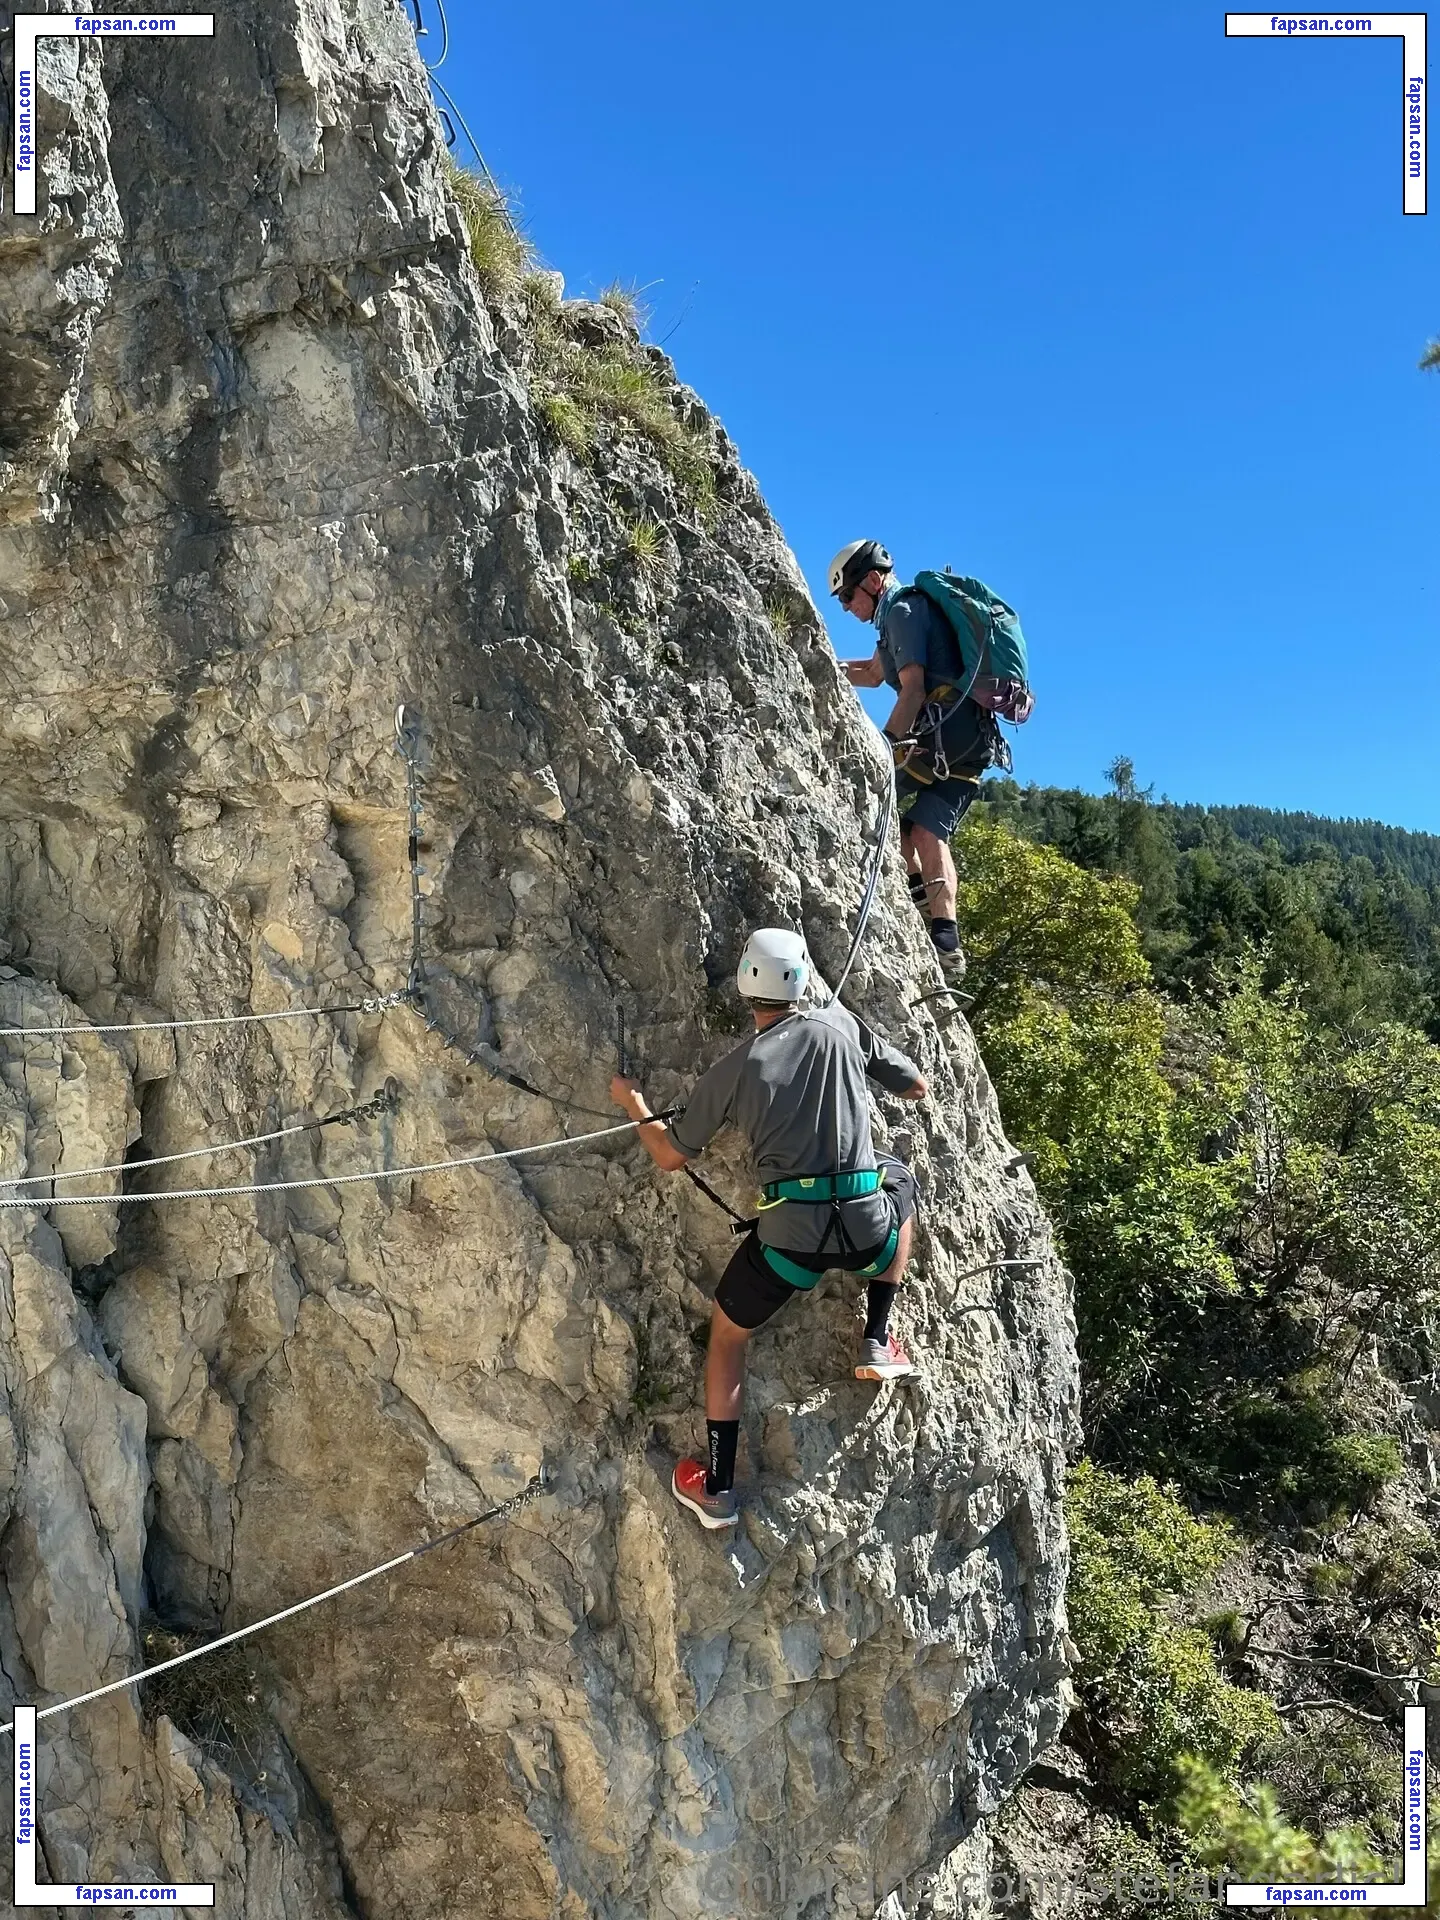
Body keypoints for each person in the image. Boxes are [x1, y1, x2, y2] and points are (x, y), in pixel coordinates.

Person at [610, 928, 928, 1531]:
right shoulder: (841, 1025)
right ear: (803, 978)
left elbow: (671, 1154)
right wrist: (841, 1019)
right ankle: (878, 1336)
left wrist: (634, 1103)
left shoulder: (736, 1068)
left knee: (728, 1338)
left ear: (744, 985)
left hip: (789, 1241)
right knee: (900, 1182)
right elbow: (916, 1084)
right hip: (865, 1224)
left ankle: (719, 1489)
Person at [830, 538, 998, 977]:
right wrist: (817, 660)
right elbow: (870, 673)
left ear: (871, 580)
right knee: (923, 832)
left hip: (942, 735)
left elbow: (914, 690)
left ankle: (920, 909)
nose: (846, 606)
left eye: (848, 594)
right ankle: (946, 940)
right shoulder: (899, 619)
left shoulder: (902, 612)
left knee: (868, 794)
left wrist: (882, 749)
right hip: (972, 742)